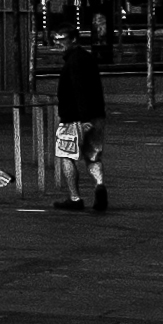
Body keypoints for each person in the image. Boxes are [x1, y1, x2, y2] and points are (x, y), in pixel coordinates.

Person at [55, 27, 107, 214]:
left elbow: (79, 90)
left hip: (74, 119)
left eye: (62, 38)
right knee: (94, 156)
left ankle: (75, 197)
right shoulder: (88, 58)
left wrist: (84, 119)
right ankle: (100, 186)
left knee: (66, 156)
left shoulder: (73, 62)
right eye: (56, 38)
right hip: (97, 115)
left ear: (74, 39)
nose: (58, 42)